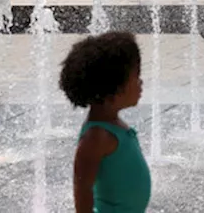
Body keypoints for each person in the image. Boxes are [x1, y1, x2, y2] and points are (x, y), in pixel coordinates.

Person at [62, 31, 151, 213]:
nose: (141, 83)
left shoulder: (113, 125)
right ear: (113, 89)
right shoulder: (96, 137)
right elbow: (82, 189)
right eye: (136, 77)